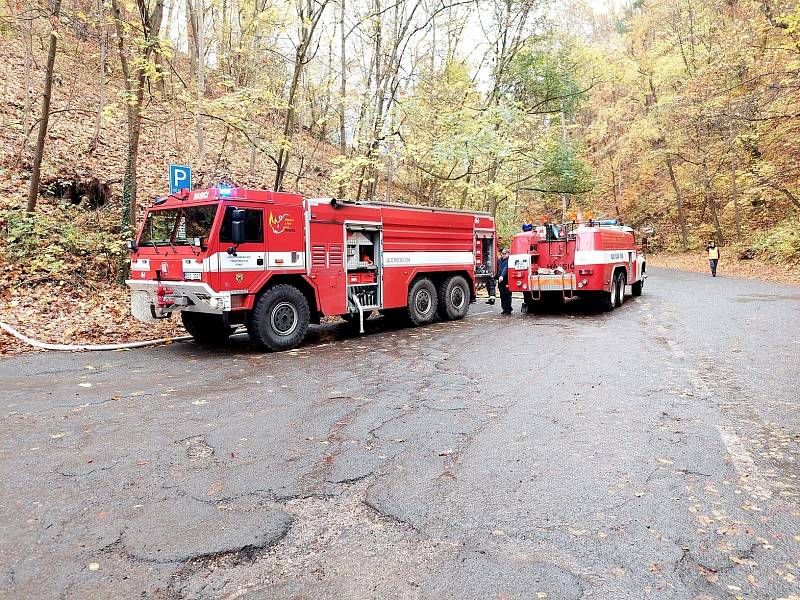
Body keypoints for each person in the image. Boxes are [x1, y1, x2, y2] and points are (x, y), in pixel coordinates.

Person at [497, 248, 512, 315]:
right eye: (502, 253)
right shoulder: (499, 260)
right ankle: (504, 308)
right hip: (500, 279)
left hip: (506, 279)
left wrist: (502, 276)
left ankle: (508, 309)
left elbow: (506, 268)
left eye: (504, 253)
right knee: (502, 295)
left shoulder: (509, 260)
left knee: (507, 295)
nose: (503, 255)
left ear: (508, 254)